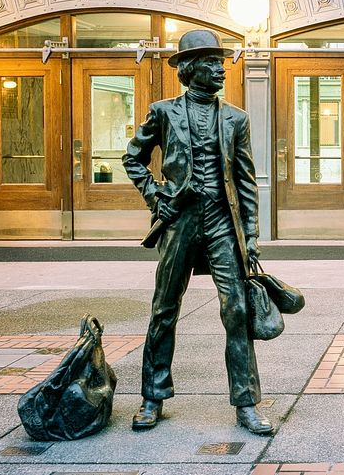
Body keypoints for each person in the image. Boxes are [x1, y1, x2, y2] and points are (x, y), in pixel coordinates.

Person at [122, 28, 273, 435]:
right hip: (180, 219)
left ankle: (245, 402)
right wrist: (157, 196)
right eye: (210, 63)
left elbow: (245, 181)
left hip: (223, 223)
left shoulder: (235, 118)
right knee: (165, 307)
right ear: (189, 69)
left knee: (237, 310)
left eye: (220, 63)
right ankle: (153, 396)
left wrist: (253, 236)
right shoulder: (164, 112)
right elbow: (133, 158)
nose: (220, 69)